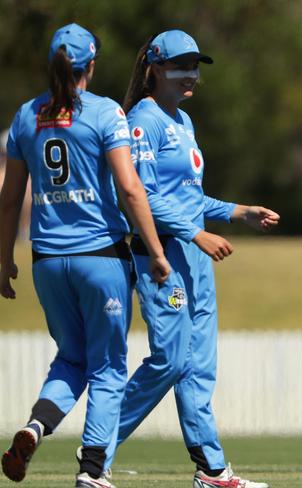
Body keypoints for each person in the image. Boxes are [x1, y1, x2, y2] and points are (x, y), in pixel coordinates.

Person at [102, 30, 279, 488]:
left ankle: (212, 470)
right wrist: (196, 232)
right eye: (181, 66)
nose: (192, 76)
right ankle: (96, 447)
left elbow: (189, 197)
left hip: (192, 254)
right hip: (161, 254)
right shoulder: (144, 120)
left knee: (198, 365)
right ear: (155, 68)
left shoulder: (183, 121)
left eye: (196, 67)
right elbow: (140, 196)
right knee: (170, 359)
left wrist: (239, 212)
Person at [0, 23, 170, 488]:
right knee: (109, 365)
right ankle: (92, 471)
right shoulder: (104, 113)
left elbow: (9, 199)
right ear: (90, 66)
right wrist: (155, 250)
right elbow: (130, 188)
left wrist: (3, 259)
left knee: (71, 358)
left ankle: (36, 426)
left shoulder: (25, 115)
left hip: (47, 261)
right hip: (101, 257)